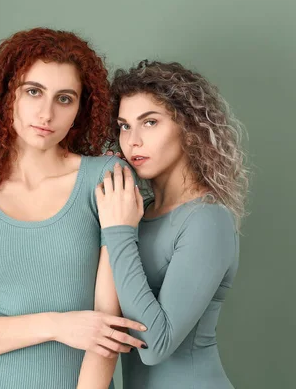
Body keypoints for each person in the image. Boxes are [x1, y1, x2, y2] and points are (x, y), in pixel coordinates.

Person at [0, 28, 147, 389]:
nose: (46, 113)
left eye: (64, 98)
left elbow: (106, 330)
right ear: (6, 94)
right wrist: (56, 325)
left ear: (80, 108)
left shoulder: (106, 179)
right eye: (33, 91)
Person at [96, 60, 249, 388]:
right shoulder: (136, 212)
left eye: (149, 122)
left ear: (189, 130)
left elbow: (154, 346)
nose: (132, 140)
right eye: (124, 126)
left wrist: (119, 231)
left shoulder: (208, 219)